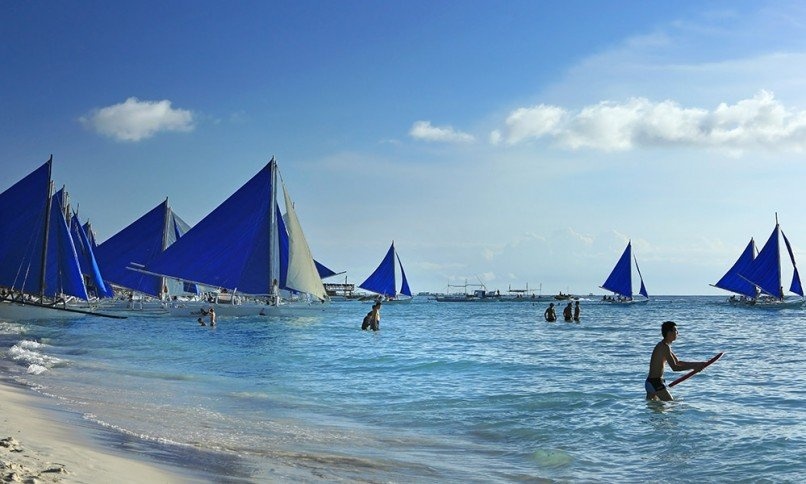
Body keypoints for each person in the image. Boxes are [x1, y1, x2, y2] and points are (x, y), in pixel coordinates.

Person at [645, 321, 708, 401]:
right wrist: (694, 367)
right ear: (669, 332)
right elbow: (675, 367)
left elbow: (678, 362)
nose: (677, 333)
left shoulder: (662, 345)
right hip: (656, 383)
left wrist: (699, 364)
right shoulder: (665, 347)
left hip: (650, 382)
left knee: (655, 411)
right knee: (671, 406)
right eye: (675, 330)